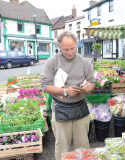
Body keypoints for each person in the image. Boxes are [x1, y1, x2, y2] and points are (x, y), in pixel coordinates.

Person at [41, 31, 95, 160]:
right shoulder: (52, 62)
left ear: (77, 44)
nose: (70, 52)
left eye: (72, 48)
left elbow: (92, 83)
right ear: (59, 47)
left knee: (83, 146)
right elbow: (45, 86)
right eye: (66, 49)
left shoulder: (84, 62)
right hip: (60, 108)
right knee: (62, 147)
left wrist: (89, 86)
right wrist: (65, 92)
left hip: (81, 108)